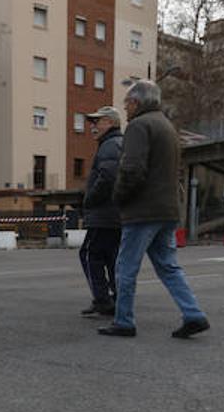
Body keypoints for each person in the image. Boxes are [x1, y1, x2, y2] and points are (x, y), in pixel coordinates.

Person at [99, 80, 209, 339]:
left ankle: (124, 321)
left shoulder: (139, 126)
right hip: (167, 210)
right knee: (168, 266)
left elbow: (132, 168)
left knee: (125, 267)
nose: (125, 109)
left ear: (136, 103)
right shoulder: (167, 127)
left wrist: (119, 197)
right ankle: (193, 313)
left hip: (142, 210)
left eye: (126, 103)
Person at [80, 106, 124, 317]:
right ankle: (114, 298)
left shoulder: (109, 146)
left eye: (97, 122)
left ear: (111, 123)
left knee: (90, 254)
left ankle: (102, 299)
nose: (92, 126)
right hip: (115, 214)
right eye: (92, 122)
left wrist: (89, 200)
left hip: (104, 215)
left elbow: (108, 178)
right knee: (111, 257)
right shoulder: (117, 144)